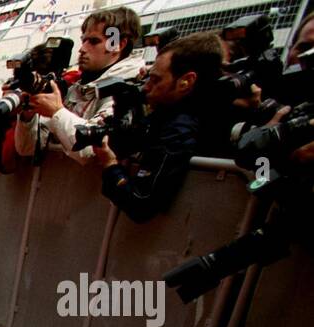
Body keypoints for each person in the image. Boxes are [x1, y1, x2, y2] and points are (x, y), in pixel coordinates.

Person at [91, 32, 225, 222]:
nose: (146, 87)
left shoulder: (180, 130)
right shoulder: (164, 117)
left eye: (156, 80)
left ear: (186, 82)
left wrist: (110, 165)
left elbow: (141, 203)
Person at [14, 7, 145, 164]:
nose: (82, 49)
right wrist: (28, 116)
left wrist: (57, 112)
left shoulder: (127, 92)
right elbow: (27, 149)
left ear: (118, 44)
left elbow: (91, 150)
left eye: (94, 41)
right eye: (84, 40)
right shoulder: (75, 87)